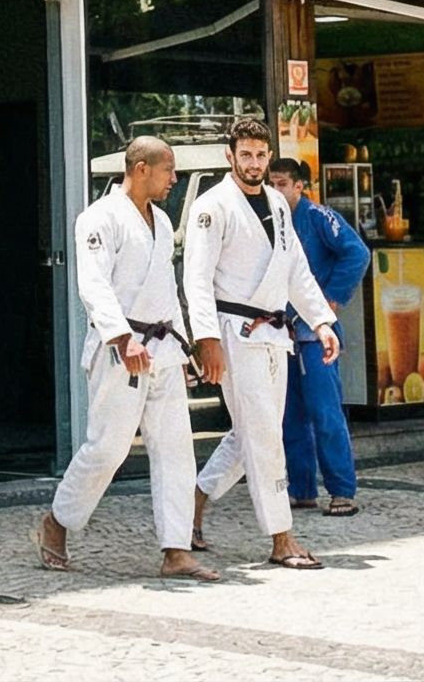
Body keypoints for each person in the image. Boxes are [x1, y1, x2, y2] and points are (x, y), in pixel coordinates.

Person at [36, 136, 219, 582]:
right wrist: (122, 338)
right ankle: (57, 522)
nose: (174, 180)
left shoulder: (158, 219)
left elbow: (166, 289)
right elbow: (93, 286)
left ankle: (176, 550)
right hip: (121, 350)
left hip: (162, 346)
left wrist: (184, 346)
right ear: (140, 169)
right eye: (168, 170)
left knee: (176, 449)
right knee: (110, 448)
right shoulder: (98, 219)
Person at [188, 119, 340, 570]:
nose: (254, 163)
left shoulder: (276, 202)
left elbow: (296, 270)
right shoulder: (211, 207)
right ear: (229, 156)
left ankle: (191, 506)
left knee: (249, 434)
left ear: (268, 156)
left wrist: (322, 322)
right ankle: (282, 537)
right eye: (246, 155)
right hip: (234, 332)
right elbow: (195, 279)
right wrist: (205, 341)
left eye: (260, 155)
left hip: (275, 333)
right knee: (265, 436)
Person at [268, 158, 370, 516]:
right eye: (272, 183)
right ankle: (301, 488)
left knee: (325, 412)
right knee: (290, 414)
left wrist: (331, 299)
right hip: (282, 332)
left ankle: (342, 490)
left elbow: (357, 253)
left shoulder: (319, 217)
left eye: (283, 184)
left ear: (299, 187)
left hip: (315, 332)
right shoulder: (267, 220)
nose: (276, 190)